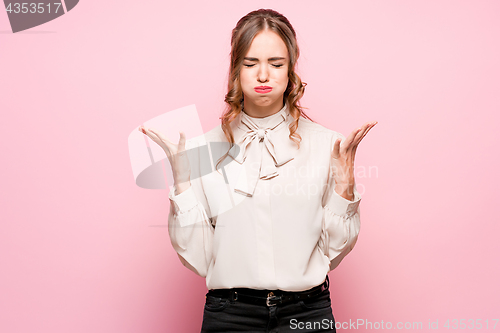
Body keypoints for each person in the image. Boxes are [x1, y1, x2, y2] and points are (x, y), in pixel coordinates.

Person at [139, 8, 376, 333]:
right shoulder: (202, 151)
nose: (263, 75)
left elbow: (331, 253)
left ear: (291, 69)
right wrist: (182, 184)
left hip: (307, 314)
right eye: (251, 64)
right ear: (235, 69)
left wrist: (344, 189)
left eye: (276, 64)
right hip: (230, 316)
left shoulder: (328, 145)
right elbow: (200, 258)